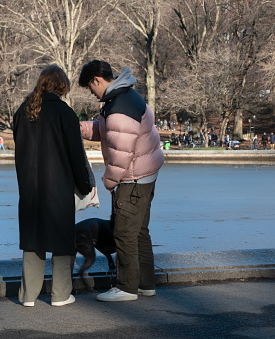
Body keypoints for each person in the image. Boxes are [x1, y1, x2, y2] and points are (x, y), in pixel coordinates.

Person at [78, 60, 164, 302]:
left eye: (89, 87)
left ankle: (126, 288)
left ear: (96, 80)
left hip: (132, 179)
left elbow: (121, 154)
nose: (91, 92)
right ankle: (146, 284)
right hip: (146, 174)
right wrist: (83, 129)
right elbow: (111, 132)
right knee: (140, 232)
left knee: (124, 234)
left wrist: (108, 181)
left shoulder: (117, 107)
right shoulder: (127, 96)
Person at [13, 65, 92, 307]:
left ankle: (28, 295)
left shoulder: (22, 112)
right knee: (61, 241)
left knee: (32, 241)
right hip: (57, 186)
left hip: (29, 188)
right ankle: (60, 294)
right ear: (61, 86)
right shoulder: (64, 113)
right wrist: (85, 184)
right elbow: (76, 154)